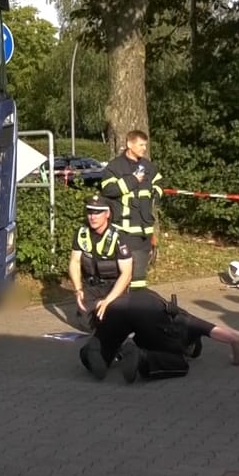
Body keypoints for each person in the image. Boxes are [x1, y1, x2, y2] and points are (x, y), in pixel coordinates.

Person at [69, 194, 141, 382]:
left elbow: (126, 273)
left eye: (98, 213)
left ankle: (114, 349)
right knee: (87, 321)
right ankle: (117, 347)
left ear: (107, 214)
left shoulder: (118, 237)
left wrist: (109, 300)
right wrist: (78, 289)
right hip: (91, 286)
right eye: (90, 212)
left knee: (109, 317)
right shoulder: (81, 233)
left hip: (113, 287)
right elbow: (75, 262)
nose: (93, 216)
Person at [100, 130, 164, 289]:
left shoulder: (148, 166)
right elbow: (108, 190)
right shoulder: (115, 166)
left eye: (145, 145)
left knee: (140, 277)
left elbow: (159, 183)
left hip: (144, 231)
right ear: (129, 144)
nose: (144, 148)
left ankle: (137, 305)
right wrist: (132, 180)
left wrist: (155, 193)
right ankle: (119, 305)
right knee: (124, 274)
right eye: (141, 145)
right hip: (124, 231)